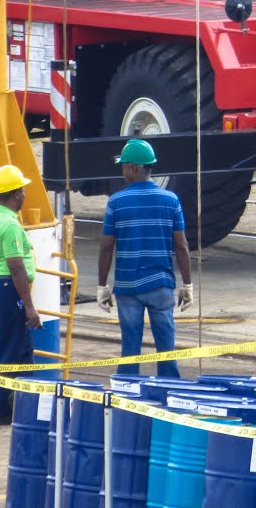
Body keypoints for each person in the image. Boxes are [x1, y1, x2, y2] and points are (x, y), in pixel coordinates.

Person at [97, 138, 192, 378]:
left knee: (130, 347)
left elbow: (107, 247)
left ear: (133, 168)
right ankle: (170, 391)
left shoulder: (116, 202)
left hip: (128, 288)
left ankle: (128, 397)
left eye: (124, 165)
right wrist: (187, 284)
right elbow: (180, 245)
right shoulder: (170, 200)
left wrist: (102, 286)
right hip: (161, 284)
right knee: (166, 348)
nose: (122, 170)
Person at [0, 164, 43, 425]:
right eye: (23, 190)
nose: (25, 195)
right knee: (13, 351)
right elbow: (15, 266)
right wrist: (29, 306)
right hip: (9, 290)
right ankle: (0, 411)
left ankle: (24, 408)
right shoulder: (9, 225)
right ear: (16, 194)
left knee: (21, 349)